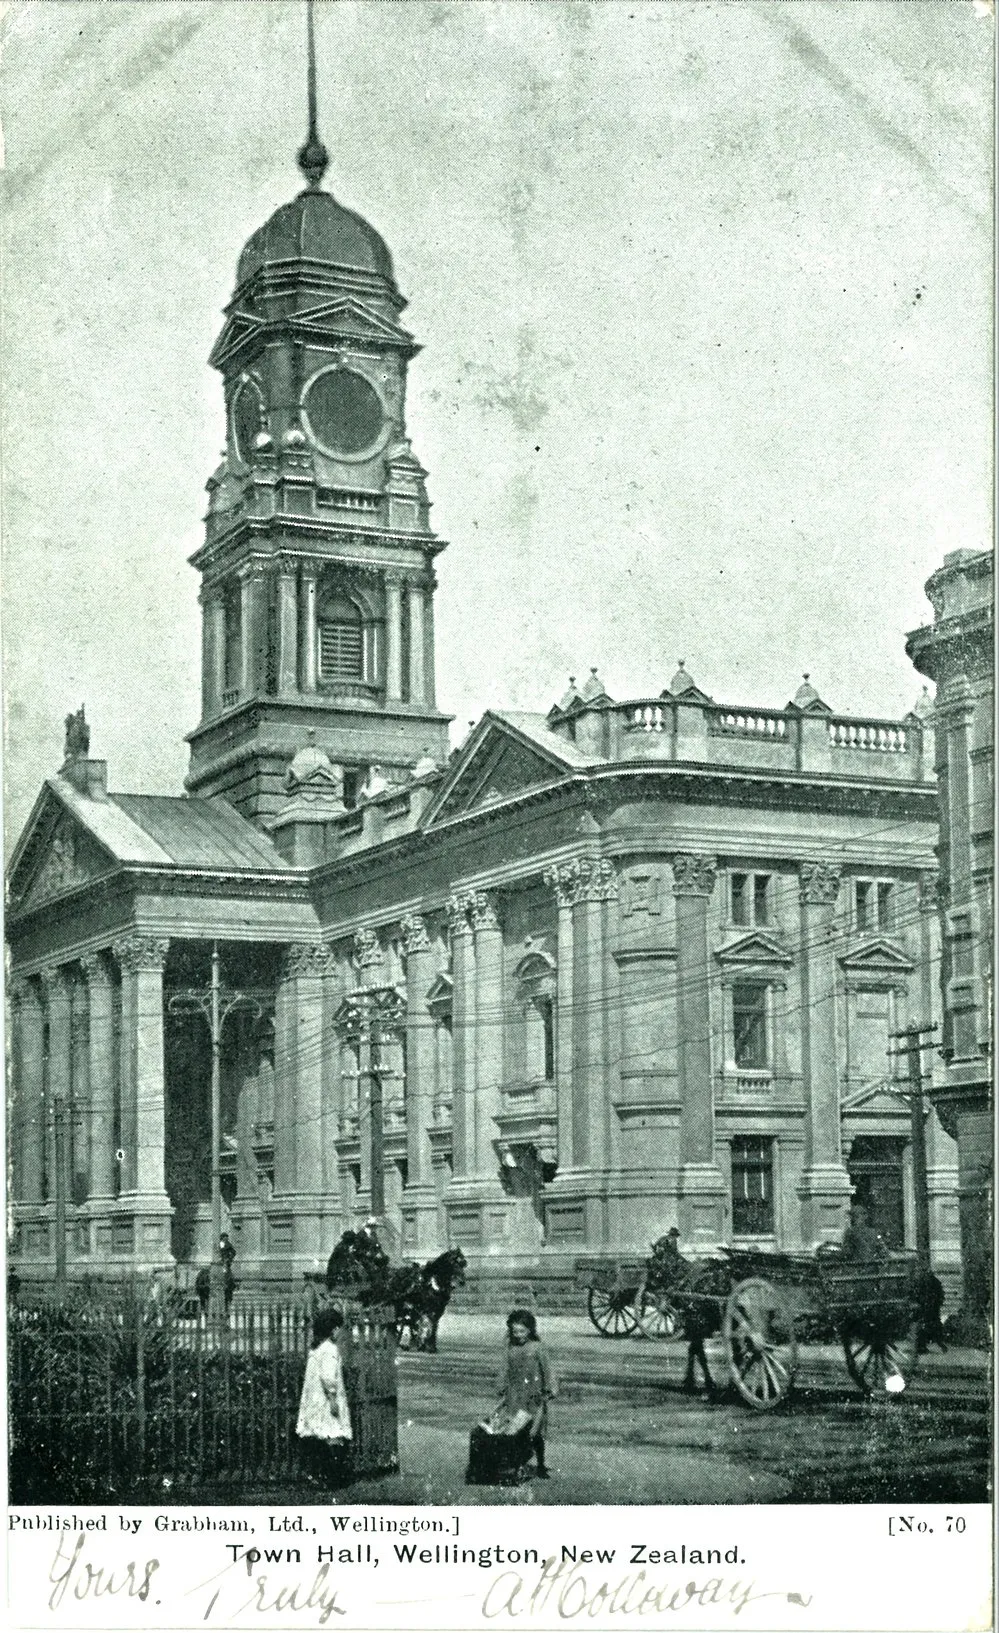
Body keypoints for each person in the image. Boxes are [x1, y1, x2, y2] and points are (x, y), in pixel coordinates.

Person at [296, 1306, 353, 1490]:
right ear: (331, 1328)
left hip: (315, 1399)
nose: (338, 1331)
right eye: (336, 1327)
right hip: (326, 1399)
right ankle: (332, 1479)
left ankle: (320, 1476)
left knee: (321, 1435)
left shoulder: (316, 1347)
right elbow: (329, 1377)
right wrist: (334, 1399)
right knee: (334, 1434)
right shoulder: (330, 1349)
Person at [496, 1309, 557, 1480]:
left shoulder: (538, 1347)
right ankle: (517, 1466)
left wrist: (551, 1388)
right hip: (515, 1396)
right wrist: (501, 1385)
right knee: (516, 1432)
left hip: (534, 1397)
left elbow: (548, 1368)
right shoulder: (510, 1348)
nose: (518, 1335)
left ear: (530, 1330)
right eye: (515, 1331)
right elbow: (504, 1368)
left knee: (535, 1433)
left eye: (522, 1331)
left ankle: (541, 1464)